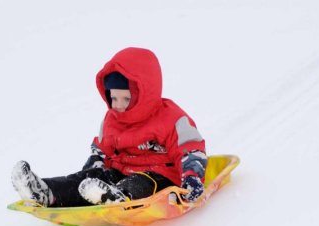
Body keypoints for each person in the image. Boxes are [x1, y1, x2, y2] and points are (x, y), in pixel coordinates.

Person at [11, 47, 207, 207]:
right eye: (113, 98)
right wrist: (92, 168)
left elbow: (190, 150)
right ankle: (47, 192)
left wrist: (191, 178)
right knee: (89, 178)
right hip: (120, 172)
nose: (118, 105)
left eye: (126, 98)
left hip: (161, 177)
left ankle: (119, 198)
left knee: (143, 181)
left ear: (145, 94)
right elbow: (101, 151)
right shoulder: (111, 120)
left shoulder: (171, 118)